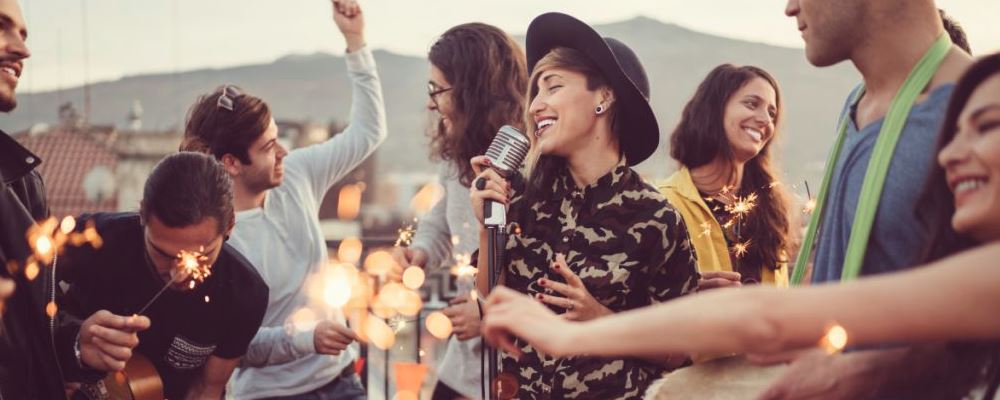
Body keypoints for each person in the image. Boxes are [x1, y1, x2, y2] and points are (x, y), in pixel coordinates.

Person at [481, 52, 1000, 400]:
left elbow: (764, 316)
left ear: (604, 98)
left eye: (989, 124)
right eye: (950, 133)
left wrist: (585, 327)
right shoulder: (535, 204)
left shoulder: (657, 214)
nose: (949, 154)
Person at [469, 12, 698, 399]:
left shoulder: (655, 218)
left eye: (552, 87)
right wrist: (488, 224)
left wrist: (601, 322)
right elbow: (493, 314)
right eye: (535, 92)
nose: (535, 106)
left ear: (604, 97)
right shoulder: (522, 203)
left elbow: (683, 351)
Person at [180, 0, 386, 398]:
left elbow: (368, 132)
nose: (284, 153)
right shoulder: (208, 241)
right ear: (231, 163)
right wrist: (305, 339)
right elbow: (230, 348)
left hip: (342, 383)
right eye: (269, 146)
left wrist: (355, 40)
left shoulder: (298, 175)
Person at [0, 0, 148, 397]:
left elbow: (32, 328)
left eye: (24, 34)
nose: (22, 49)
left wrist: (76, 343)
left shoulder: (22, 181)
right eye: (1, 26)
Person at [389, 23, 527, 400]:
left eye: (438, 89)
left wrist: (486, 313)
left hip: (514, 374)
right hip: (463, 367)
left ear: (473, 91)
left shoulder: (527, 164)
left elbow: (539, 267)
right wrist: (421, 252)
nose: (431, 102)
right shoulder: (457, 154)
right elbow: (440, 215)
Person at [59, 152, 269, 399]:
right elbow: (21, 288)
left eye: (200, 256)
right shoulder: (95, 238)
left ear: (230, 226)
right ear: (142, 216)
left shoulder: (244, 294)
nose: (178, 273)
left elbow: (206, 389)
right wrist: (64, 346)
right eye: (163, 253)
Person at [659, 64, 793, 290]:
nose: (765, 120)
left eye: (772, 113)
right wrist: (683, 295)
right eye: (752, 104)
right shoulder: (664, 205)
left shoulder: (771, 215)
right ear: (715, 109)